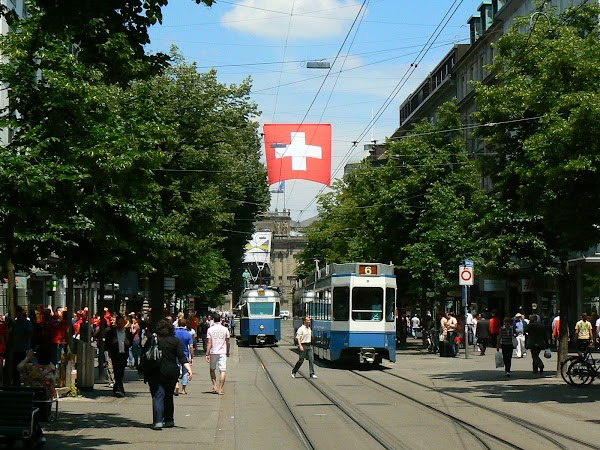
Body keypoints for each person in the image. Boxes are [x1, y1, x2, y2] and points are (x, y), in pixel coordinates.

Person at [145, 319, 192, 430]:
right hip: (172, 371)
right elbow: (182, 357)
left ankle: (158, 421)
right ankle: (169, 420)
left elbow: (145, 354)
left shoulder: (154, 340)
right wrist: (189, 370)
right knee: (168, 396)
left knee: (158, 396)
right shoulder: (175, 341)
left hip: (155, 371)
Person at [17, 345, 58, 447]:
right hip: (45, 404)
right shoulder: (52, 370)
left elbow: (19, 367)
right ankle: (39, 436)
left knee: (30, 412)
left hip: (30, 403)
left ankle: (38, 436)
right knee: (33, 415)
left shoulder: (31, 369)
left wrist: (27, 357)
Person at [105, 315, 133, 397]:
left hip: (124, 354)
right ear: (116, 323)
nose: (120, 325)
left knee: (121, 372)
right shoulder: (112, 332)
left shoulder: (127, 332)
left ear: (124, 323)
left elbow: (131, 342)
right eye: (119, 323)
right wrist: (112, 342)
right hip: (115, 355)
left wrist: (129, 343)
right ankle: (120, 390)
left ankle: (116, 387)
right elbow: (107, 343)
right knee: (117, 372)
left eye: (122, 323)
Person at [205, 313, 231, 395]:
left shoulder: (210, 329)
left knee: (212, 369)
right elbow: (228, 342)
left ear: (213, 319)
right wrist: (228, 351)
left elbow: (209, 342)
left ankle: (215, 386)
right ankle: (220, 389)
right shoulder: (225, 329)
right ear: (220, 320)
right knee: (223, 370)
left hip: (213, 352)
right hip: (222, 352)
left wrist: (207, 353)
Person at [12, 306, 33, 386]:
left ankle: (23, 383)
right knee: (15, 368)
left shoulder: (26, 322)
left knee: (23, 367)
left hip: (23, 348)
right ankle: (16, 383)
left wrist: (21, 338)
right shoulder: (13, 323)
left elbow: (29, 333)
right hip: (15, 349)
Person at [174, 318, 194, 395]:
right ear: (185, 325)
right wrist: (192, 357)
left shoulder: (174, 333)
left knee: (176, 370)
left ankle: (176, 384)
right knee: (185, 371)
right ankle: (183, 389)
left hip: (175, 354)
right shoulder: (188, 334)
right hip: (185, 354)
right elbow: (191, 347)